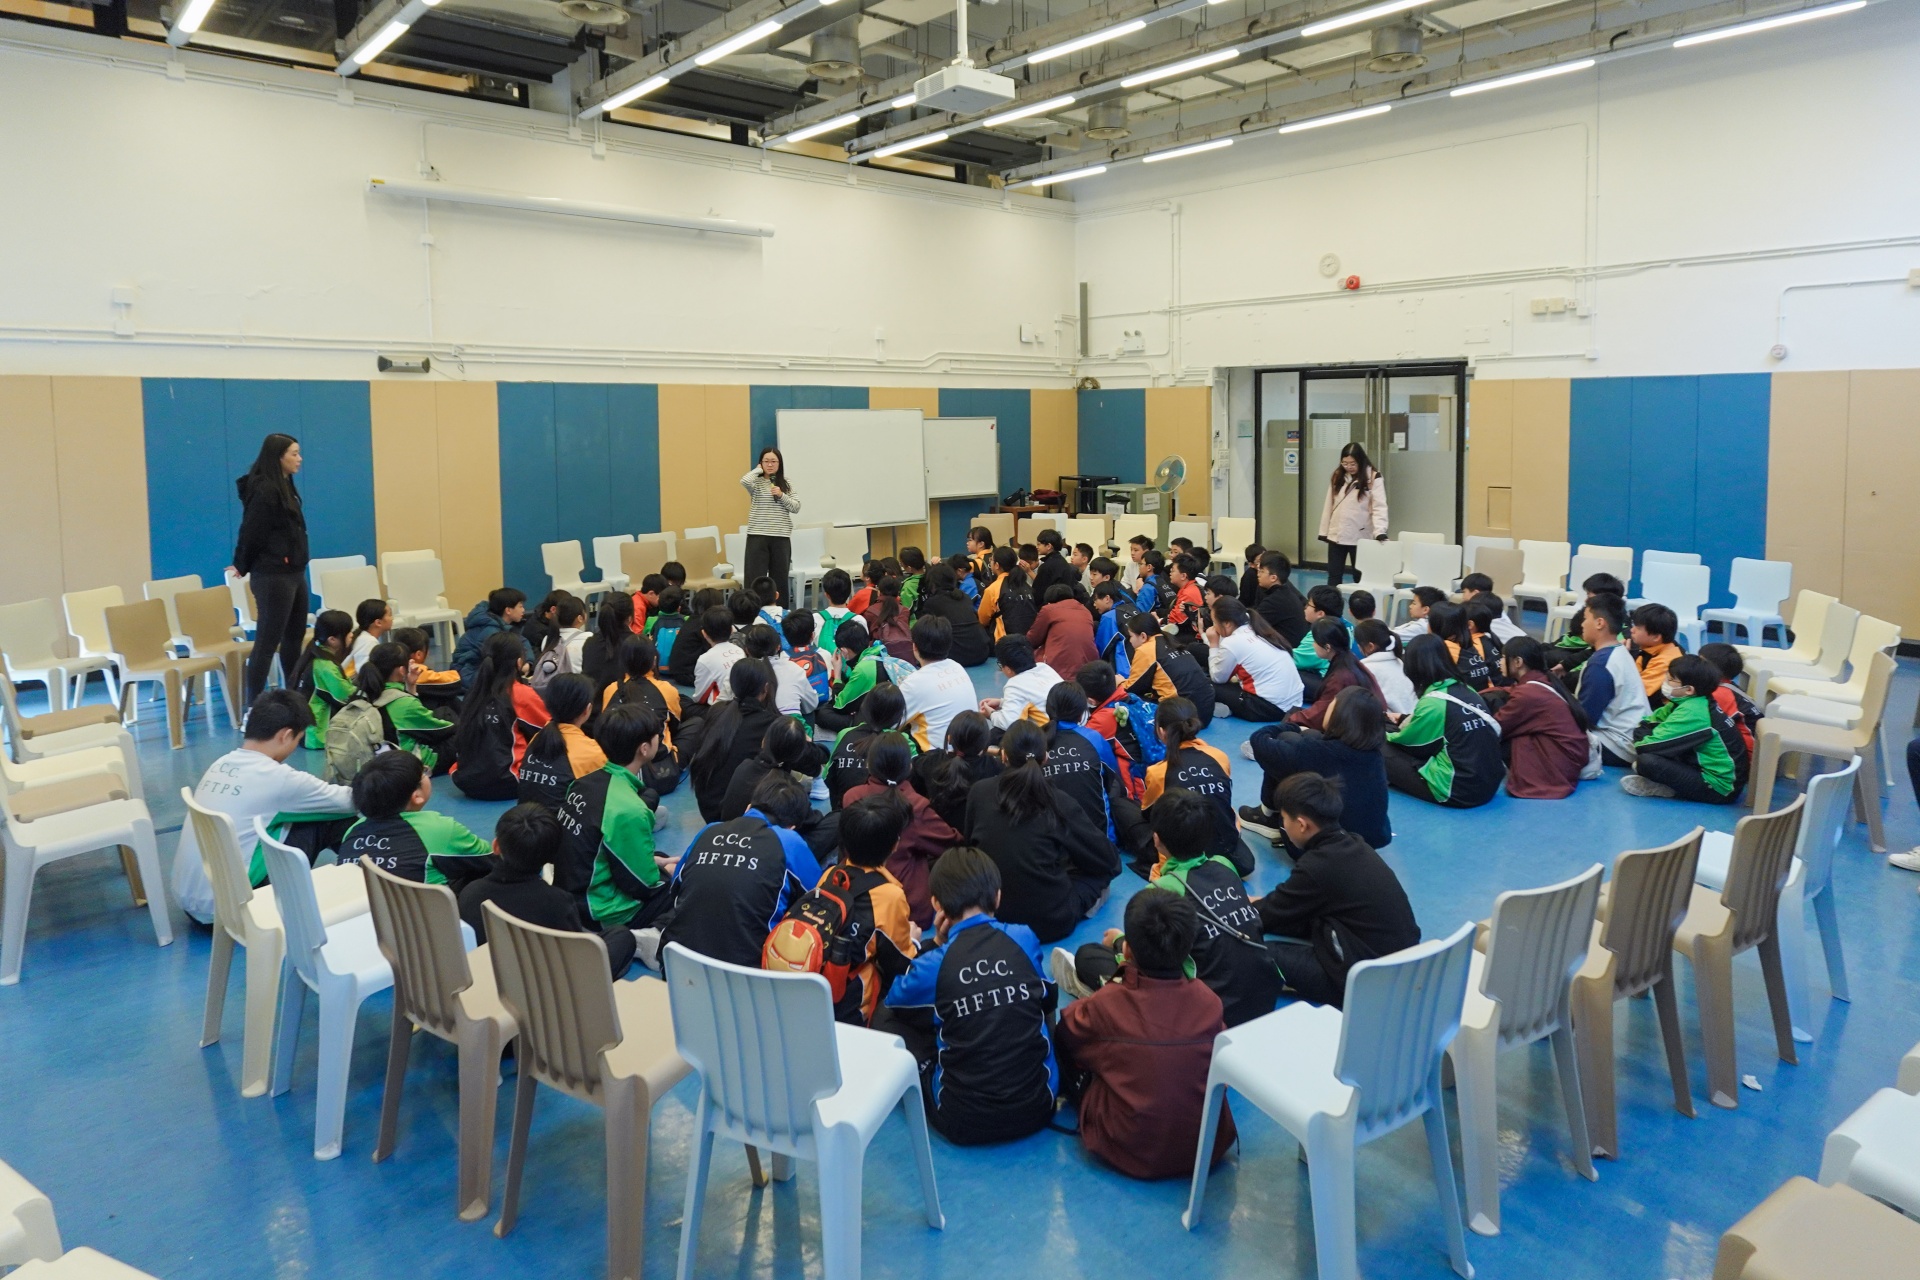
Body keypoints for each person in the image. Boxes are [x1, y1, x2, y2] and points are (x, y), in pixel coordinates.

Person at [1052, 887, 1235, 1180]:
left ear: (1126, 950)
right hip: (1206, 1146)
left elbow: (1066, 1035)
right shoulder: (1209, 1001)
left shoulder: (1108, 1004)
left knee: (1066, 1047)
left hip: (1128, 1148)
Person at [880, 846, 1058, 1146]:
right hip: (1040, 1106)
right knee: (1039, 996)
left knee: (886, 1016)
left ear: (936, 903)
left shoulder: (934, 964)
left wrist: (932, 945)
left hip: (960, 1120)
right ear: (997, 897)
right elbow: (1047, 1000)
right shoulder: (1023, 938)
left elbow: (896, 1000)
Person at [1064, 787, 1279, 1027]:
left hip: (1211, 1018)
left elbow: (1151, 962)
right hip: (1266, 998)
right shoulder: (1224, 865)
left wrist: (1119, 941)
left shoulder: (1161, 891)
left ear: (1157, 839)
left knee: (1089, 956)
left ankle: (1110, 998)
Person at [173, 690, 357, 921]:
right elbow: (352, 801)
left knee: (289, 819)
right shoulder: (279, 778)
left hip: (194, 903)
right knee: (334, 819)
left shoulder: (221, 763)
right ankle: (368, 880)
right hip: (238, 908)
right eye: (297, 740)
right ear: (285, 735)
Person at [1252, 773, 1420, 1008]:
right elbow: (1288, 905)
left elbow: (1268, 914)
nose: (1284, 826)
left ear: (1301, 824)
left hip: (1366, 981)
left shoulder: (1318, 866)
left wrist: (1241, 907)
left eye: (1284, 819)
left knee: (1257, 953)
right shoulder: (1354, 844)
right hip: (1403, 965)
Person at [642, 773, 822, 969]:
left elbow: (676, 889)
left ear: (748, 807)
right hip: (750, 975)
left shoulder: (709, 830)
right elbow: (818, 898)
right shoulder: (789, 842)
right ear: (792, 827)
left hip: (678, 965)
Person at [964, 721, 1121, 943]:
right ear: (1046, 757)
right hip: (1051, 922)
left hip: (993, 915)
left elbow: (970, 848)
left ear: (1004, 756)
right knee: (1103, 874)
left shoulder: (979, 792)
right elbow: (1108, 860)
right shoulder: (1058, 800)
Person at [777, 791, 917, 1026]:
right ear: (895, 845)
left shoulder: (832, 875)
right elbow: (900, 964)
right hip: (846, 1006)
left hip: (809, 987)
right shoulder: (890, 895)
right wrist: (914, 940)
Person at [459, 802, 637, 977]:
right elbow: (575, 954)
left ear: (496, 846)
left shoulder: (471, 893)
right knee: (621, 935)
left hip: (491, 979)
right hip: (551, 985)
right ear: (552, 856)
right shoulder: (558, 902)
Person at [556, 702, 676, 930]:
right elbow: (644, 886)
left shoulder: (582, 783)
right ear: (644, 749)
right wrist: (667, 873)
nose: (659, 739)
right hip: (598, 913)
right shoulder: (630, 809)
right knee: (685, 884)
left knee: (659, 857)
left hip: (569, 897)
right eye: (657, 736)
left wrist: (656, 863)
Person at [1241, 685, 1393, 851]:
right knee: (1310, 736)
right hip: (1371, 842)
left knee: (1284, 745)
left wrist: (1292, 726)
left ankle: (1268, 815)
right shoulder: (1375, 756)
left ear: (1339, 714)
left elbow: (1258, 740)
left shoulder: (1315, 752)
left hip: (1319, 849)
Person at [845, 732, 962, 929]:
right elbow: (953, 844)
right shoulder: (915, 806)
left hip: (856, 900)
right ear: (909, 767)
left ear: (869, 765)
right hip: (906, 910)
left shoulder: (851, 797)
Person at [340, 751, 493, 895]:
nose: (427, 774)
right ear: (417, 796)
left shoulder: (352, 831)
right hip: (426, 912)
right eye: (424, 772)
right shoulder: (438, 827)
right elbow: (491, 857)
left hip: (365, 911)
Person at [231, 433, 311, 702]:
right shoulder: (265, 490)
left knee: (294, 637)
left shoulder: (285, 485)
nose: (299, 459)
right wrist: (241, 563)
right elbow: (251, 531)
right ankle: (253, 705)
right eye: (294, 454)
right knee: (267, 642)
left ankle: (293, 697)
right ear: (278, 457)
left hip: (294, 571)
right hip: (273, 575)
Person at [1384, 634, 1505, 808]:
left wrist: (1384, 730)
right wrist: (1403, 719)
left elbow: (1410, 745)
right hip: (1489, 784)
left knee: (1380, 747)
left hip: (1459, 790)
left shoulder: (1433, 703)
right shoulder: (1467, 690)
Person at [1142, 697, 1252, 877]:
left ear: (1161, 731)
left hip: (1185, 854)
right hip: (1227, 850)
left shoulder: (1158, 772)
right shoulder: (1219, 756)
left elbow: (1149, 814)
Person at [1623, 654, 1748, 803]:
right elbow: (1647, 722)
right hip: (1700, 768)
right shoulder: (1688, 701)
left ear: (1689, 689)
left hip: (1720, 788)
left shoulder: (1694, 712)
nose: (1665, 681)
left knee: (1648, 761)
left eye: (1670, 679)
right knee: (1654, 752)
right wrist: (1646, 734)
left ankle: (1669, 789)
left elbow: (1646, 746)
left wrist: (1644, 736)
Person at [448, 631, 548, 800]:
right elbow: (550, 729)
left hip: (464, 780)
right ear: (519, 663)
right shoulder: (520, 693)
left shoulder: (473, 693)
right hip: (508, 782)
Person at [1488, 636, 1590, 799]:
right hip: (1571, 760)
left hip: (1558, 768)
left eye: (1503, 657)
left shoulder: (1528, 694)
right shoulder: (1544, 679)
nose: (1500, 662)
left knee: (1497, 735)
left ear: (1518, 662)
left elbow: (1496, 728)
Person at [337, 641, 458, 776]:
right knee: (460, 730)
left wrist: (410, 687)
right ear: (401, 670)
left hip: (379, 761)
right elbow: (441, 730)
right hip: (412, 765)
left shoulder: (362, 693)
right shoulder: (402, 702)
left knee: (442, 712)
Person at [689, 659, 781, 823]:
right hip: (741, 818)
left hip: (709, 811)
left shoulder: (718, 711)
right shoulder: (771, 722)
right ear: (766, 688)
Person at [1040, 681, 1129, 849]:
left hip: (1050, 846)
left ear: (1048, 709)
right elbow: (1111, 778)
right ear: (1082, 713)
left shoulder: (1036, 741)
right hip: (1100, 845)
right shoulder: (1094, 738)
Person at [1575, 594, 1649, 766]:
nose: (1582, 624)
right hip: (1633, 737)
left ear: (1600, 623)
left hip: (1617, 746)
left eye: (1585, 618)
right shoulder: (1619, 650)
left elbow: (1584, 719)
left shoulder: (1601, 664)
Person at [517, 673, 608, 812]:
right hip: (561, 824)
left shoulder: (537, 738)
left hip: (524, 818)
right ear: (587, 709)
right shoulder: (593, 752)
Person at [1207, 598, 1303, 722]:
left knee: (1205, 684)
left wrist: (1213, 644)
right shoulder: (1257, 628)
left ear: (1227, 623)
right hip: (1294, 704)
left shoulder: (1232, 642)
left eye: (1214, 622)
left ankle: (1225, 707)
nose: (1214, 627)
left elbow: (1218, 678)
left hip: (1269, 708)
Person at [1285, 618, 1382, 734]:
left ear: (1327, 647)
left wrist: (1290, 720)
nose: (1313, 645)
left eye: (1315, 641)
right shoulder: (1350, 660)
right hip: (1359, 726)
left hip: (1350, 732)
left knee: (1289, 723)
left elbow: (1321, 713)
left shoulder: (1340, 677)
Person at [913, 710, 1003, 833]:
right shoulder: (995, 768)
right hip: (974, 837)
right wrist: (997, 752)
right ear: (985, 744)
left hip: (937, 835)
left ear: (949, 738)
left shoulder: (930, 761)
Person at [827, 683, 912, 809]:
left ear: (864, 707)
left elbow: (828, 777)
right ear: (899, 714)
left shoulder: (845, 734)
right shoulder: (902, 741)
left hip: (844, 811)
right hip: (889, 814)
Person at [896, 616, 974, 752]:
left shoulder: (914, 683)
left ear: (914, 646)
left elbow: (892, 723)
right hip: (970, 751)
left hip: (936, 757)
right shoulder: (957, 667)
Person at [1120, 612, 1215, 724]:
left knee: (1125, 698)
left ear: (1143, 636)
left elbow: (1132, 688)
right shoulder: (1170, 638)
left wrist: (1119, 682)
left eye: (1131, 636)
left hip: (1183, 717)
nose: (1130, 641)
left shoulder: (1146, 650)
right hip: (1206, 711)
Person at [1317, 441, 1388, 586]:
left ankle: (1361, 601)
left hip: (1360, 534)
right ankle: (1332, 600)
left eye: (1352, 463)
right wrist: (1324, 531)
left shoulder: (1373, 477)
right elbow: (1329, 504)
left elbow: (1379, 506)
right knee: (1334, 576)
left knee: (1360, 576)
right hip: (1337, 534)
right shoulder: (1338, 476)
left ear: (1361, 461)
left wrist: (1380, 531)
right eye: (1345, 463)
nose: (1349, 467)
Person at [741, 447, 801, 607]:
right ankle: (752, 611)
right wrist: (757, 470)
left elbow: (796, 507)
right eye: (766, 461)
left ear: (779, 464)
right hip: (757, 536)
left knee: (780, 579)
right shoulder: (756, 482)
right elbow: (744, 481)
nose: (770, 464)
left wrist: (781, 495)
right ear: (761, 463)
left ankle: (780, 612)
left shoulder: (786, 483)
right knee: (754, 578)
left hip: (780, 536)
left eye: (773, 461)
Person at [291, 608, 355, 749]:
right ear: (332, 640)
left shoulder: (317, 653)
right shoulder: (325, 665)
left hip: (307, 731)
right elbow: (345, 695)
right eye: (348, 632)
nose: (352, 635)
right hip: (316, 735)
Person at [914, 563, 991, 668]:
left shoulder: (932, 602)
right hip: (982, 652)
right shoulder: (965, 597)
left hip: (956, 656)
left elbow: (924, 630)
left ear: (933, 582)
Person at [981, 634, 1062, 732]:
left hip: (1050, 734)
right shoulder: (1044, 668)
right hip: (1070, 727)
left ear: (1008, 669)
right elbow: (1035, 699)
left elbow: (1008, 724)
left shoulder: (1015, 685)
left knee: (997, 732)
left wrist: (991, 714)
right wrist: (1002, 702)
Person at [1698, 642, 1762, 759]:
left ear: (1713, 669)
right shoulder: (1727, 686)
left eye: (1700, 662)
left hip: (1746, 759)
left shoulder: (1719, 694)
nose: (1696, 665)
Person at [452, 588, 529, 683]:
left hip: (478, 672)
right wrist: (520, 666)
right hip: (469, 676)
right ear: (508, 610)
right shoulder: (490, 631)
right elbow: (500, 660)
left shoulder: (504, 625)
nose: (523, 610)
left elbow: (523, 642)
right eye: (520, 606)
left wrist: (528, 662)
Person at [1026, 583, 1099, 677]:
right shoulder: (1085, 611)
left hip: (1059, 669)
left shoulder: (1048, 610)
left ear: (1049, 601)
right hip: (1088, 667)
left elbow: (1033, 639)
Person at [1353, 618, 1417, 718]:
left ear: (1370, 646)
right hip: (1412, 717)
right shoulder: (1398, 661)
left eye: (1359, 645)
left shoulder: (1366, 668)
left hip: (1393, 722)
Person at [1426, 601, 1495, 692]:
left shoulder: (1446, 647)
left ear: (1436, 625)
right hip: (1481, 697)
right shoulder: (1468, 645)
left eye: (1428, 621)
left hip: (1464, 697)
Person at [530, 596, 589, 691]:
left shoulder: (548, 639)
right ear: (580, 618)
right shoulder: (588, 638)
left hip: (553, 689)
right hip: (577, 690)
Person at [1251, 551, 1310, 647]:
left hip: (1288, 650)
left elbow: (1252, 625)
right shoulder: (1286, 591)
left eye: (1261, 571)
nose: (1258, 575)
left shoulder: (1275, 601)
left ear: (1273, 578)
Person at [690, 605, 745, 706]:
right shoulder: (740, 651)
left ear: (704, 633)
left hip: (722, 709)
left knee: (684, 701)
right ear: (731, 630)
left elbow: (699, 698)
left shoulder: (705, 659)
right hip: (743, 704)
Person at [978, 549, 1036, 642]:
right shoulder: (1025, 585)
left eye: (991, 560)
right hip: (1030, 640)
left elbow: (982, 620)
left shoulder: (993, 589)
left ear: (997, 565)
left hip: (1005, 642)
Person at [1631, 603, 1683, 704]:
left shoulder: (1666, 661)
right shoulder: (1650, 648)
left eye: (1638, 628)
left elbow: (1637, 693)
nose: (1632, 630)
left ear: (1656, 637)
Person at [1459, 573, 1527, 643]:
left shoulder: (1483, 623)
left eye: (1464, 592)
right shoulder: (1499, 612)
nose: (1462, 597)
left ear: (1475, 593)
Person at [864, 577, 916, 664]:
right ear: (898, 593)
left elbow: (868, 636)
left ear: (879, 592)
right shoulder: (904, 611)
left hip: (880, 659)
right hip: (905, 659)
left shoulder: (870, 611)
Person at [346, 597, 392, 677]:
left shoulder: (363, 637)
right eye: (390, 615)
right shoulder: (368, 642)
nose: (392, 618)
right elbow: (365, 674)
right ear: (378, 622)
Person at [1032, 528, 1078, 602]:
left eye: (1039, 544)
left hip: (1050, 604)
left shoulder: (1046, 566)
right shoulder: (1063, 562)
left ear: (1048, 546)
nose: (1037, 547)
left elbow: (1038, 594)